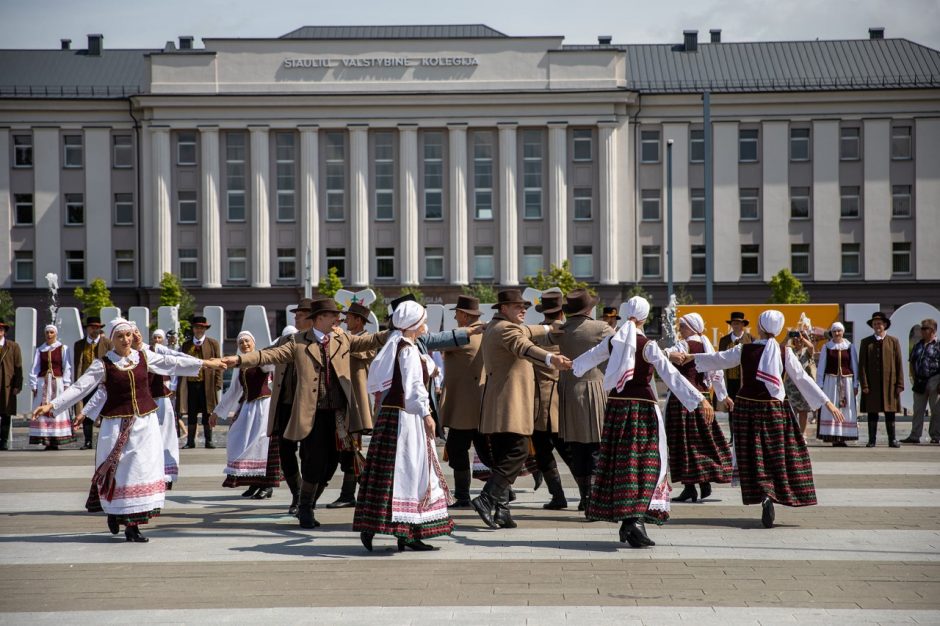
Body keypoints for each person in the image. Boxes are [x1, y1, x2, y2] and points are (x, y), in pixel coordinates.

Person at [33, 318, 224, 542]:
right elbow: (80, 387)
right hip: (115, 426)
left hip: (145, 424)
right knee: (121, 473)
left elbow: (171, 362)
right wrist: (52, 405)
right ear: (112, 339)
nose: (126, 339)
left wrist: (205, 364)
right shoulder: (103, 364)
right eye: (120, 336)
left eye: (128, 335)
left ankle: (133, 526)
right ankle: (116, 513)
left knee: (141, 470)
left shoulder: (143, 356)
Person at [223, 297, 390, 529]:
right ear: (320, 318)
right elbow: (267, 356)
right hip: (314, 414)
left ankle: (307, 502)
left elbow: (371, 340)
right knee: (314, 462)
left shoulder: (341, 338)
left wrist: (395, 330)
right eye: (333, 316)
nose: (338, 320)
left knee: (331, 464)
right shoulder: (298, 342)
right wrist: (238, 360)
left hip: (338, 415)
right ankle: (305, 507)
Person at [572, 296, 711, 548]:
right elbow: (669, 376)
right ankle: (634, 522)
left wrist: (565, 365)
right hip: (643, 411)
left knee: (622, 463)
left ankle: (632, 522)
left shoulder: (614, 341)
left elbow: (585, 360)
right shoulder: (647, 345)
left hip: (616, 409)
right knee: (648, 463)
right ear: (646, 317)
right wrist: (699, 399)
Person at [688, 310, 843, 529]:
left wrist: (690, 358)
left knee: (753, 455)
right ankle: (771, 493)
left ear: (760, 326)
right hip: (773, 409)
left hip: (747, 408)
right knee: (774, 454)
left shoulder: (745, 349)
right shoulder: (784, 352)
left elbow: (718, 359)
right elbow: (802, 378)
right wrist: (827, 402)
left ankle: (763, 493)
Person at [354, 300, 454, 552]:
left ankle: (399, 532)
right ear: (412, 325)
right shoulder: (406, 350)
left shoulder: (403, 346)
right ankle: (396, 531)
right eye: (422, 321)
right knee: (406, 472)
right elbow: (413, 388)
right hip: (405, 421)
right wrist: (427, 414)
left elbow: (424, 370)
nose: (425, 325)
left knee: (391, 473)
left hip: (393, 418)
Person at [471, 289, 572, 531]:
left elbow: (527, 331)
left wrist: (550, 328)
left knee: (506, 456)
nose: (523, 309)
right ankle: (486, 499)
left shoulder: (499, 326)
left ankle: (502, 511)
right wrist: (551, 359)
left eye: (524, 306)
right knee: (517, 451)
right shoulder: (506, 330)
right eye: (517, 306)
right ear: (503, 308)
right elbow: (523, 345)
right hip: (509, 405)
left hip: (500, 405)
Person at [550, 289, 613, 512]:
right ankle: (594, 499)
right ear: (589, 309)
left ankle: (584, 495)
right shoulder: (601, 328)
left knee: (577, 447)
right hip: (593, 389)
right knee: (595, 446)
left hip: (568, 389)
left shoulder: (561, 329)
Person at [665, 313, 733, 503]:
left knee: (684, 442)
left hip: (683, 400)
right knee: (701, 440)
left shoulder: (684, 345)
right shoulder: (705, 345)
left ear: (692, 327)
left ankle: (691, 486)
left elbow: (666, 355)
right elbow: (717, 373)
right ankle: (701, 483)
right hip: (703, 398)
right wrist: (722, 396)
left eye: (683, 326)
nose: (680, 329)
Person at [212, 331, 280, 498]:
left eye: (247, 341)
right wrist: (216, 412)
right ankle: (254, 482)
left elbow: (272, 364)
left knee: (262, 444)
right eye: (241, 342)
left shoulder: (261, 360)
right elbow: (233, 391)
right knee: (240, 441)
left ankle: (267, 485)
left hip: (263, 406)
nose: (244, 344)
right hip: (248, 407)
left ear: (253, 343)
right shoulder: (240, 365)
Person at [326, 302, 376, 508]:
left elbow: (361, 352)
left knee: (351, 449)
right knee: (346, 449)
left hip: (356, 401)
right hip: (344, 400)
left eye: (349, 317)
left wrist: (340, 338)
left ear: (359, 320)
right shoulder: (346, 337)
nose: (345, 320)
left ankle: (350, 494)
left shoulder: (365, 339)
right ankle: (363, 492)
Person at [440, 295, 488, 508]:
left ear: (465, 315)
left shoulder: (464, 336)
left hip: (464, 406)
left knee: (458, 448)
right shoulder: (481, 333)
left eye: (457, 313)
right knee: (484, 449)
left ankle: (463, 496)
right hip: (476, 403)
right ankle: (502, 490)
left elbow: (436, 341)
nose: (455, 316)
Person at [268, 299, 312, 516]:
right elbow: (265, 356)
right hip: (285, 404)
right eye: (296, 314)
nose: (296, 317)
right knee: (285, 452)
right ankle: (296, 493)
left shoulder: (320, 340)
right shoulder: (285, 340)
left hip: (309, 407)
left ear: (312, 317)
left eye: (301, 314)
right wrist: (239, 359)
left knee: (309, 453)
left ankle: (307, 495)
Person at [532, 291, 570, 510]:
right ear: (562, 311)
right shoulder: (569, 333)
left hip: (537, 400)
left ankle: (557, 495)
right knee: (569, 450)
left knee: (543, 450)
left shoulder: (535, 333)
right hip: (562, 399)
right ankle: (587, 496)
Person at [858, 312, 904, 448]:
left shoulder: (893, 341)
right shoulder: (866, 342)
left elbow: (899, 363)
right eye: (875, 324)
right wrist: (864, 384)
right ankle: (872, 440)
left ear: (885, 325)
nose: (877, 326)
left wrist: (900, 384)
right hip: (872, 385)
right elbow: (862, 366)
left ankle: (892, 439)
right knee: (872, 412)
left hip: (890, 383)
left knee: (890, 412)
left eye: (879, 323)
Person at [179, 317, 222, 449]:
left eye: (202, 327)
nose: (199, 330)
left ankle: (208, 440)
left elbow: (219, 364)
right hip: (190, 384)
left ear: (205, 329)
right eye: (197, 327)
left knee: (207, 412)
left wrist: (218, 383)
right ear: (193, 329)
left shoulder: (213, 343)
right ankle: (190, 441)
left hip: (207, 384)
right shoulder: (186, 345)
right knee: (191, 413)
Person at [28, 325, 73, 450]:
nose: (49, 334)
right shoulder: (40, 349)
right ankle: (46, 438)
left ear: (56, 334)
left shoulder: (63, 348)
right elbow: (35, 368)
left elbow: (67, 366)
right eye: (47, 332)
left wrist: (66, 384)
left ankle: (56, 438)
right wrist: (33, 384)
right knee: (42, 408)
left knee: (57, 406)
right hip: (43, 383)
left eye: (51, 332)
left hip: (57, 383)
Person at [816, 322, 860, 446]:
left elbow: (854, 366)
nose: (837, 333)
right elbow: (821, 366)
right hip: (831, 381)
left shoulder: (850, 346)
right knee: (833, 407)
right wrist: (820, 384)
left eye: (839, 331)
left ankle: (844, 436)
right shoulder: (827, 347)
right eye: (835, 331)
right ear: (832, 332)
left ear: (843, 332)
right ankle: (834, 436)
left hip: (847, 382)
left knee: (846, 408)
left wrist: (856, 384)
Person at [73, 315, 110, 450]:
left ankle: (104, 441)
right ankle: (88, 441)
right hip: (86, 383)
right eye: (93, 327)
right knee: (86, 412)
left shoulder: (107, 343)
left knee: (105, 412)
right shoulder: (79, 345)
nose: (95, 330)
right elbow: (77, 365)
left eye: (98, 327)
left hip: (103, 382)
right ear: (88, 329)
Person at [718, 312, 754, 434]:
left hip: (745, 381)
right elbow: (720, 359)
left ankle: (744, 435)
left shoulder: (750, 339)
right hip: (730, 381)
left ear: (743, 324)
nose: (736, 325)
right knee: (731, 408)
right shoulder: (724, 341)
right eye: (734, 323)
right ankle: (733, 436)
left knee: (745, 408)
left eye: (738, 323)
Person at [905, 319, 940, 444]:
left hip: (935, 380)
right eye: (922, 328)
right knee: (918, 410)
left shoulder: (938, 345)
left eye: (924, 329)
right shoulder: (918, 345)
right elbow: (911, 362)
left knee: (936, 410)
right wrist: (913, 377)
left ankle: (936, 436)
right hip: (919, 381)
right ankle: (915, 435)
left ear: (932, 330)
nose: (922, 331)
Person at [783, 328, 817, 435]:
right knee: (792, 412)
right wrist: (788, 337)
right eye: (796, 339)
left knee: (803, 412)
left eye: (800, 340)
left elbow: (811, 347)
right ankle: (792, 435)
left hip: (803, 387)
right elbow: (781, 347)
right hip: (791, 386)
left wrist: (803, 337)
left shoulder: (806, 352)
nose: (798, 341)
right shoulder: (789, 351)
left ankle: (802, 435)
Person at [0, 318, 23, 451]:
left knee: (6, 413)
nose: (0, 331)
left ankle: (3, 441)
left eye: (2, 329)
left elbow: (18, 366)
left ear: (5, 331)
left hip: (7, 384)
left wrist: (17, 385)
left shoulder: (13, 346)